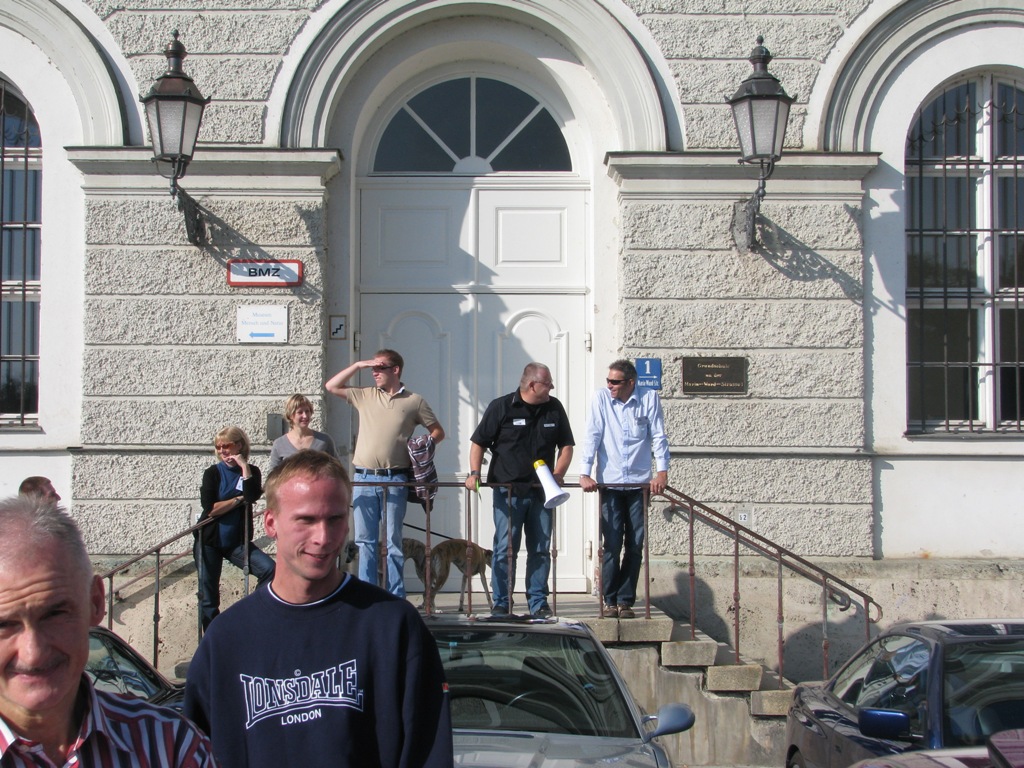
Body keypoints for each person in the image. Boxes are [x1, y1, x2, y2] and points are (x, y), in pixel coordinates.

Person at [184, 450, 453, 768]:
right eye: (306, 520)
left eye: (335, 519)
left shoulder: (394, 627)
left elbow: (427, 750)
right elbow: (195, 751)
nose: (323, 537)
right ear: (270, 523)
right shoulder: (226, 640)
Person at [0, 495, 216, 767]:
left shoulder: (171, 746)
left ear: (95, 602)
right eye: (4, 624)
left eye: (54, 615)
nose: (33, 653)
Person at [325, 349, 444, 597]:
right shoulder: (365, 395)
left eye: (379, 368)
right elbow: (331, 386)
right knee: (365, 542)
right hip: (364, 478)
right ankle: (367, 595)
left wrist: (422, 446)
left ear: (395, 370)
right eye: (372, 369)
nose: (374, 372)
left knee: (392, 542)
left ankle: (395, 596)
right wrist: (358, 365)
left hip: (395, 478)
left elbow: (437, 432)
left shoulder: (414, 401)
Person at [465, 362, 574, 617]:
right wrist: (474, 473)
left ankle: (538, 603)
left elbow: (566, 446)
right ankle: (502, 603)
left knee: (540, 548)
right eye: (547, 383)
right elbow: (478, 442)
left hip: (542, 492)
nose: (552, 387)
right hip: (508, 492)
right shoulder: (501, 407)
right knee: (505, 548)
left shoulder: (554, 408)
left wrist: (558, 474)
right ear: (532, 385)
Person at [579, 359, 669, 619]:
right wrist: (585, 472)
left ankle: (625, 601)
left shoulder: (649, 398)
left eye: (615, 382)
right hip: (610, 482)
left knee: (635, 544)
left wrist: (661, 472)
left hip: (638, 484)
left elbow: (658, 436)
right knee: (612, 543)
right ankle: (609, 600)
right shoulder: (601, 399)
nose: (610, 385)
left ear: (631, 382)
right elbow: (593, 435)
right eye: (608, 380)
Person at [195, 426, 275, 630]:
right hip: (209, 541)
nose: (222, 450)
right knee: (208, 596)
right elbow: (211, 509)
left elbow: (252, 495)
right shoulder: (212, 473)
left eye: (227, 445)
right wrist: (239, 499)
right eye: (218, 447)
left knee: (270, 569)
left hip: (237, 542)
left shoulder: (252, 471)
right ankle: (212, 639)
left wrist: (244, 466)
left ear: (239, 445)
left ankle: (247, 615)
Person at [269, 393, 339, 470]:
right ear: (291, 415)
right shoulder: (279, 444)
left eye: (307, 411)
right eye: (300, 412)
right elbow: (274, 474)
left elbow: (337, 470)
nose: (305, 416)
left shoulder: (324, 440)